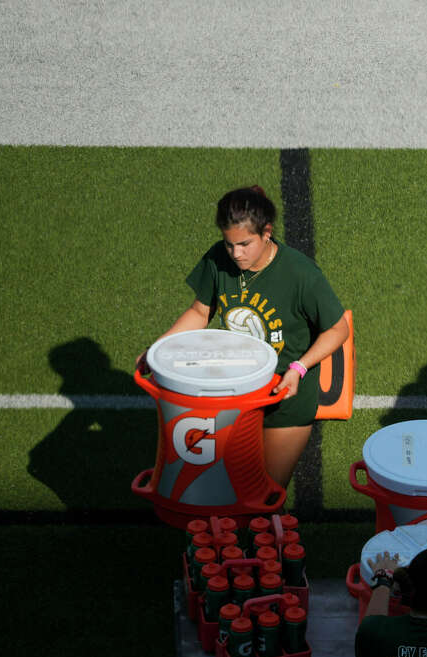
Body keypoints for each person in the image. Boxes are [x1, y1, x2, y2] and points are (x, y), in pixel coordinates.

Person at [137, 186, 348, 488]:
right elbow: (200, 311)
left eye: (245, 244)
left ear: (266, 232)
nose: (236, 254)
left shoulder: (301, 274)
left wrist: (299, 368)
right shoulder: (217, 259)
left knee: (263, 494)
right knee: (222, 490)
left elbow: (338, 329)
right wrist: (157, 350)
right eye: (229, 244)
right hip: (233, 395)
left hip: (284, 399)